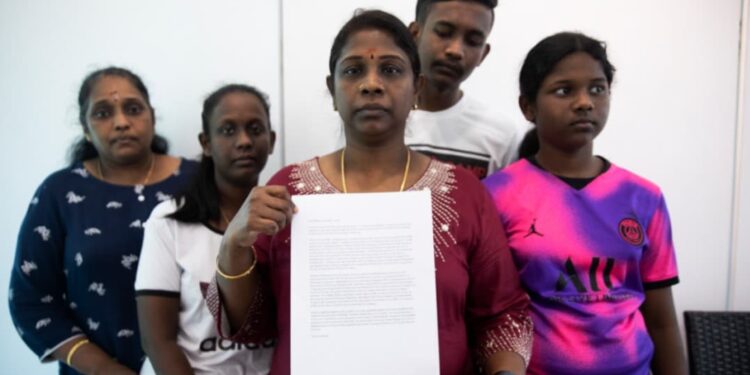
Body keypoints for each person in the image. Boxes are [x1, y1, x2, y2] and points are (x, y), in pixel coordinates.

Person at [205, 10, 532, 375]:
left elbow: (503, 314)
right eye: (353, 70)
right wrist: (232, 246)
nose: (371, 84)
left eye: (391, 70)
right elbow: (251, 328)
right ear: (332, 91)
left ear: (417, 90)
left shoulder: (463, 194)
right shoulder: (289, 191)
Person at [483, 32, 688, 374]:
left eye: (597, 88)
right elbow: (489, 314)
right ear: (528, 106)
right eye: (564, 90)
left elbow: (662, 321)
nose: (585, 102)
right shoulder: (497, 195)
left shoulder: (643, 197)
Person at [9, 67, 198, 375]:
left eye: (133, 109)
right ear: (85, 128)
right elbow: (30, 301)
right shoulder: (59, 193)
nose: (122, 122)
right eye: (103, 113)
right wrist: (102, 370)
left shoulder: (197, 181)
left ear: (152, 115)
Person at [135, 84, 276, 374]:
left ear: (271, 141)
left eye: (255, 129)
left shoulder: (285, 218)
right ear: (206, 143)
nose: (244, 141)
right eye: (227, 130)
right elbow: (157, 341)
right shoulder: (168, 221)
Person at [405, 0, 523, 179]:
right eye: (444, 33)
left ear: (483, 54)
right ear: (414, 34)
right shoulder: (368, 120)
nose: (455, 50)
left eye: (473, 41)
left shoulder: (502, 136)